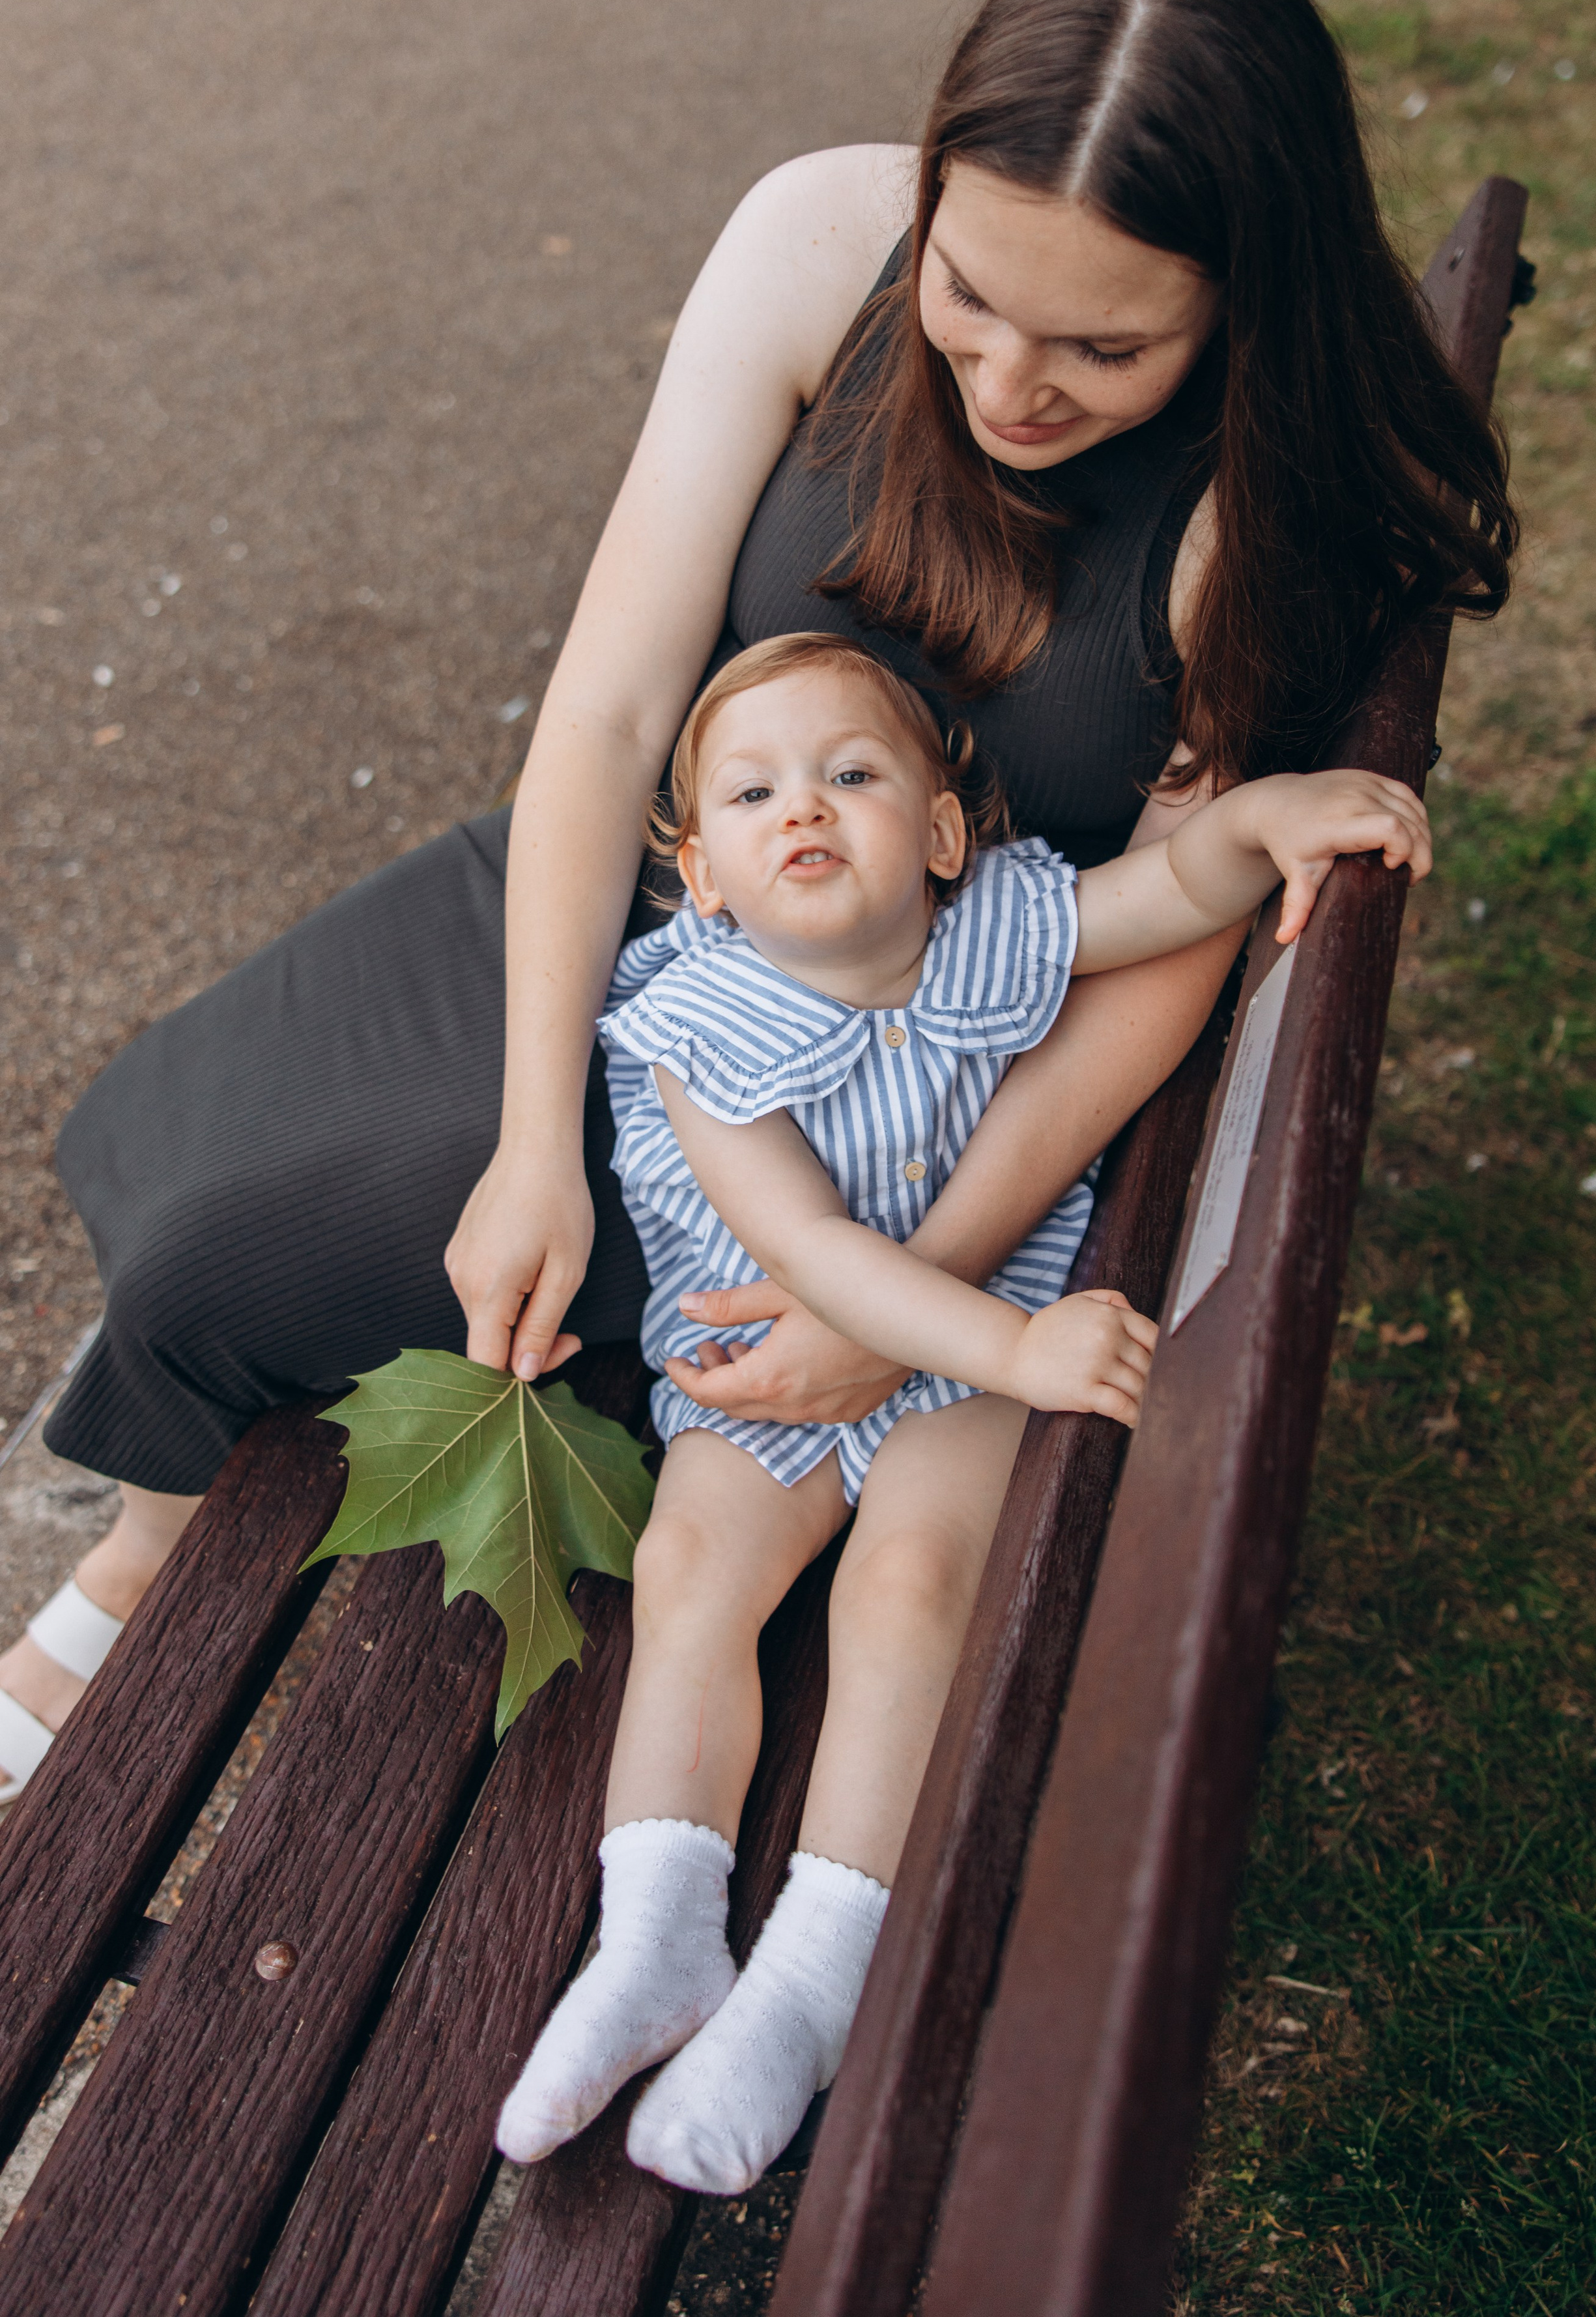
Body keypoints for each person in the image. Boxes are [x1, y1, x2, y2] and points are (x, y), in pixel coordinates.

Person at [3, 0, 1511, 1900]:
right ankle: (146, 1546)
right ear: (934, 187)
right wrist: (541, 1131)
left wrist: (902, 1306)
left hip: (893, 1079)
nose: (1010, 378)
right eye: (973, 292)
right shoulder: (819, 237)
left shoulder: (1256, 504)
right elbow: (618, 698)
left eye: (1107, 344)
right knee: (214, 1241)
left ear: (1246, 295)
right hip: (659, 928)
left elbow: (1165, 961)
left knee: (286, 1262)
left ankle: (120, 1593)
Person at [491, 629, 1430, 2190]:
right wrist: (1017, 1353)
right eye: (750, 789)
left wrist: (1256, 821)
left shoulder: (992, 923)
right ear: (704, 874)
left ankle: (815, 1971)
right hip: (782, 1353)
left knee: (912, 1580)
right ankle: (653, 1931)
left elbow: (1165, 892)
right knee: (691, 1571)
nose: (803, 804)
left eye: (850, 772)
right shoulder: (698, 1034)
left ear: (938, 835)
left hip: (968, 1348)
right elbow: (813, 1255)